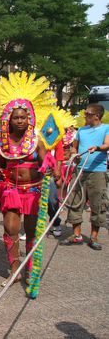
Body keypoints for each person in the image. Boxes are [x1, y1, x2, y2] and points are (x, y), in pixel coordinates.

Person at [0, 72, 53, 286]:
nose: (20, 121)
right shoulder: (2, 140)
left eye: (23, 117)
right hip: (10, 190)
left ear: (29, 118)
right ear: (9, 119)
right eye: (16, 117)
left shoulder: (37, 138)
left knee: (30, 231)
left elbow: (46, 161)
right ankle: (14, 269)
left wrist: (48, 167)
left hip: (33, 191)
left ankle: (30, 269)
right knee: (10, 230)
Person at [62, 104, 109, 250]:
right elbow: (74, 146)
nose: (85, 116)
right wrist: (74, 154)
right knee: (75, 201)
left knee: (98, 204)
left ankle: (94, 237)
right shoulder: (81, 130)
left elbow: (107, 144)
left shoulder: (106, 128)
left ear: (97, 116)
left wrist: (97, 147)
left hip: (98, 172)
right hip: (80, 171)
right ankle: (77, 235)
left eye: (88, 114)